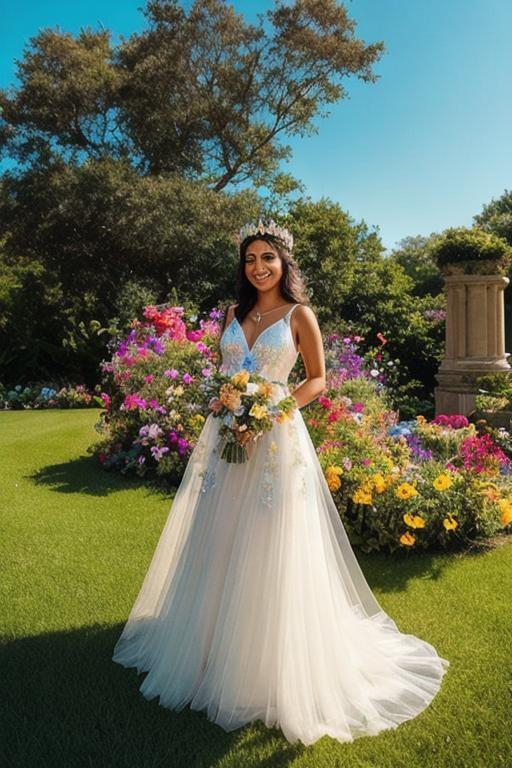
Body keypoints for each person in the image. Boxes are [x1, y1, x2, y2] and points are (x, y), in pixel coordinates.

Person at [112, 219, 450, 746]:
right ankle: (203, 650)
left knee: (270, 539)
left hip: (273, 439)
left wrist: (269, 410)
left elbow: (317, 378)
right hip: (226, 437)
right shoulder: (233, 314)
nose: (258, 267)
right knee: (219, 534)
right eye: (250, 259)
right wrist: (228, 402)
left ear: (283, 263)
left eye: (268, 257)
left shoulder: (299, 315)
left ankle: (261, 667)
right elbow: (225, 368)